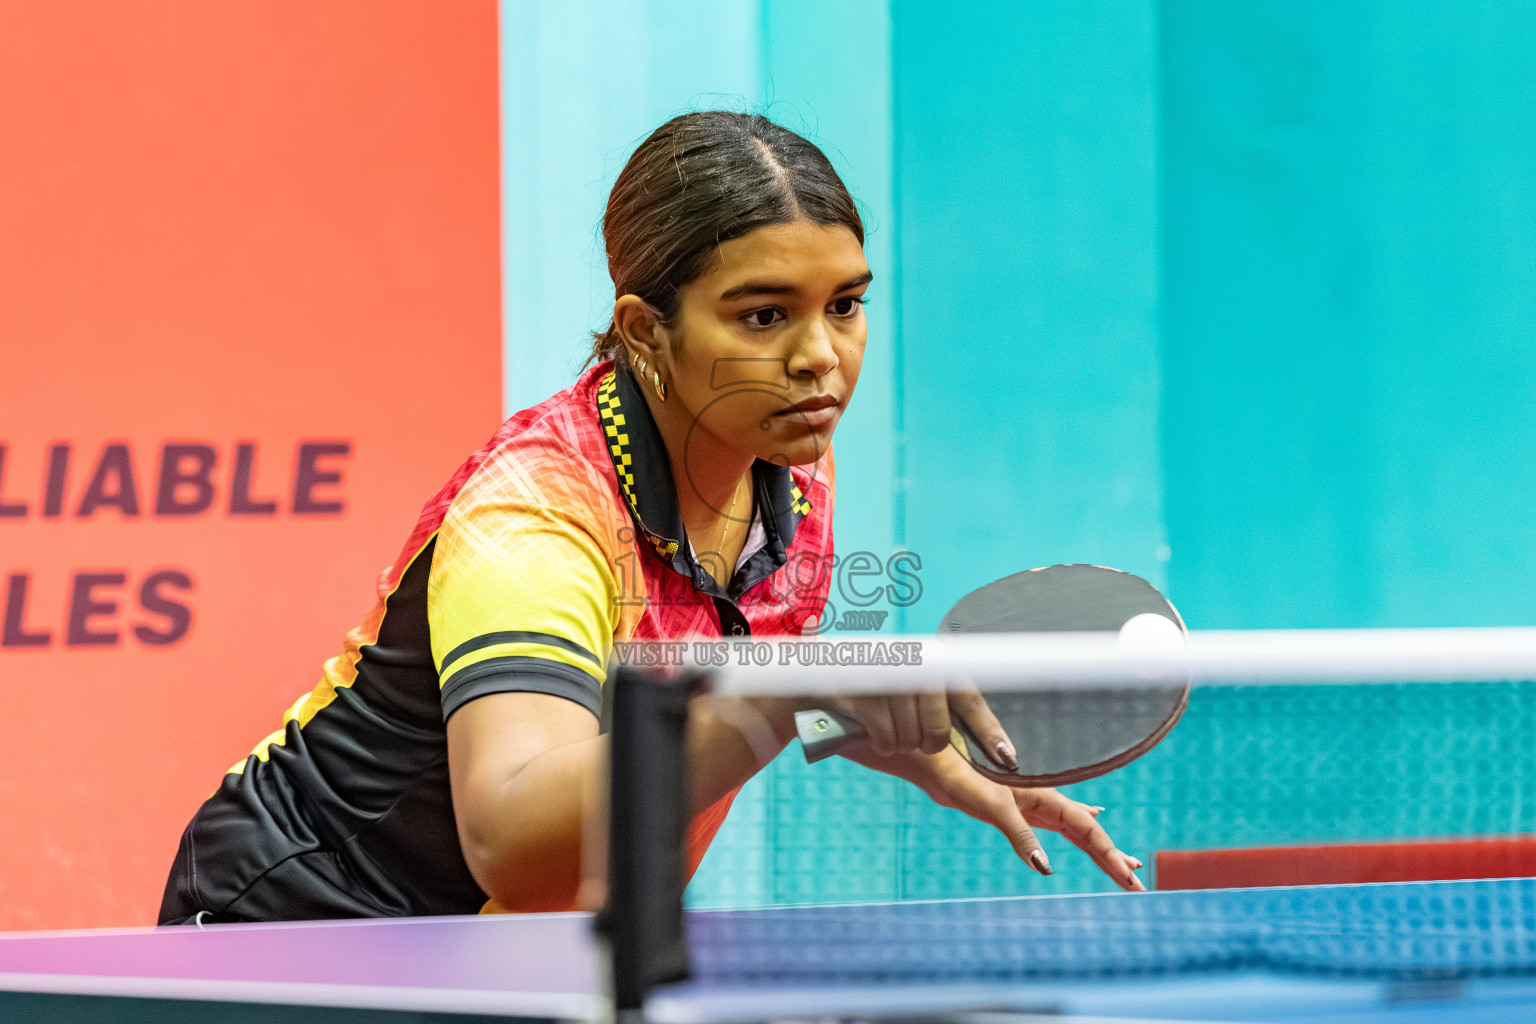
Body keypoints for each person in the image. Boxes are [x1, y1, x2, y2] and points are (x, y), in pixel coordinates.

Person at [159, 111, 1143, 925]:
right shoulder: (536, 513)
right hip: (301, 925)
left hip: (519, 946)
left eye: (845, 305)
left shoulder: (789, 459)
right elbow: (510, 836)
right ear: (645, 330)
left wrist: (900, 736)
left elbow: (732, 669)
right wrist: (779, 694)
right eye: (765, 315)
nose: (822, 357)